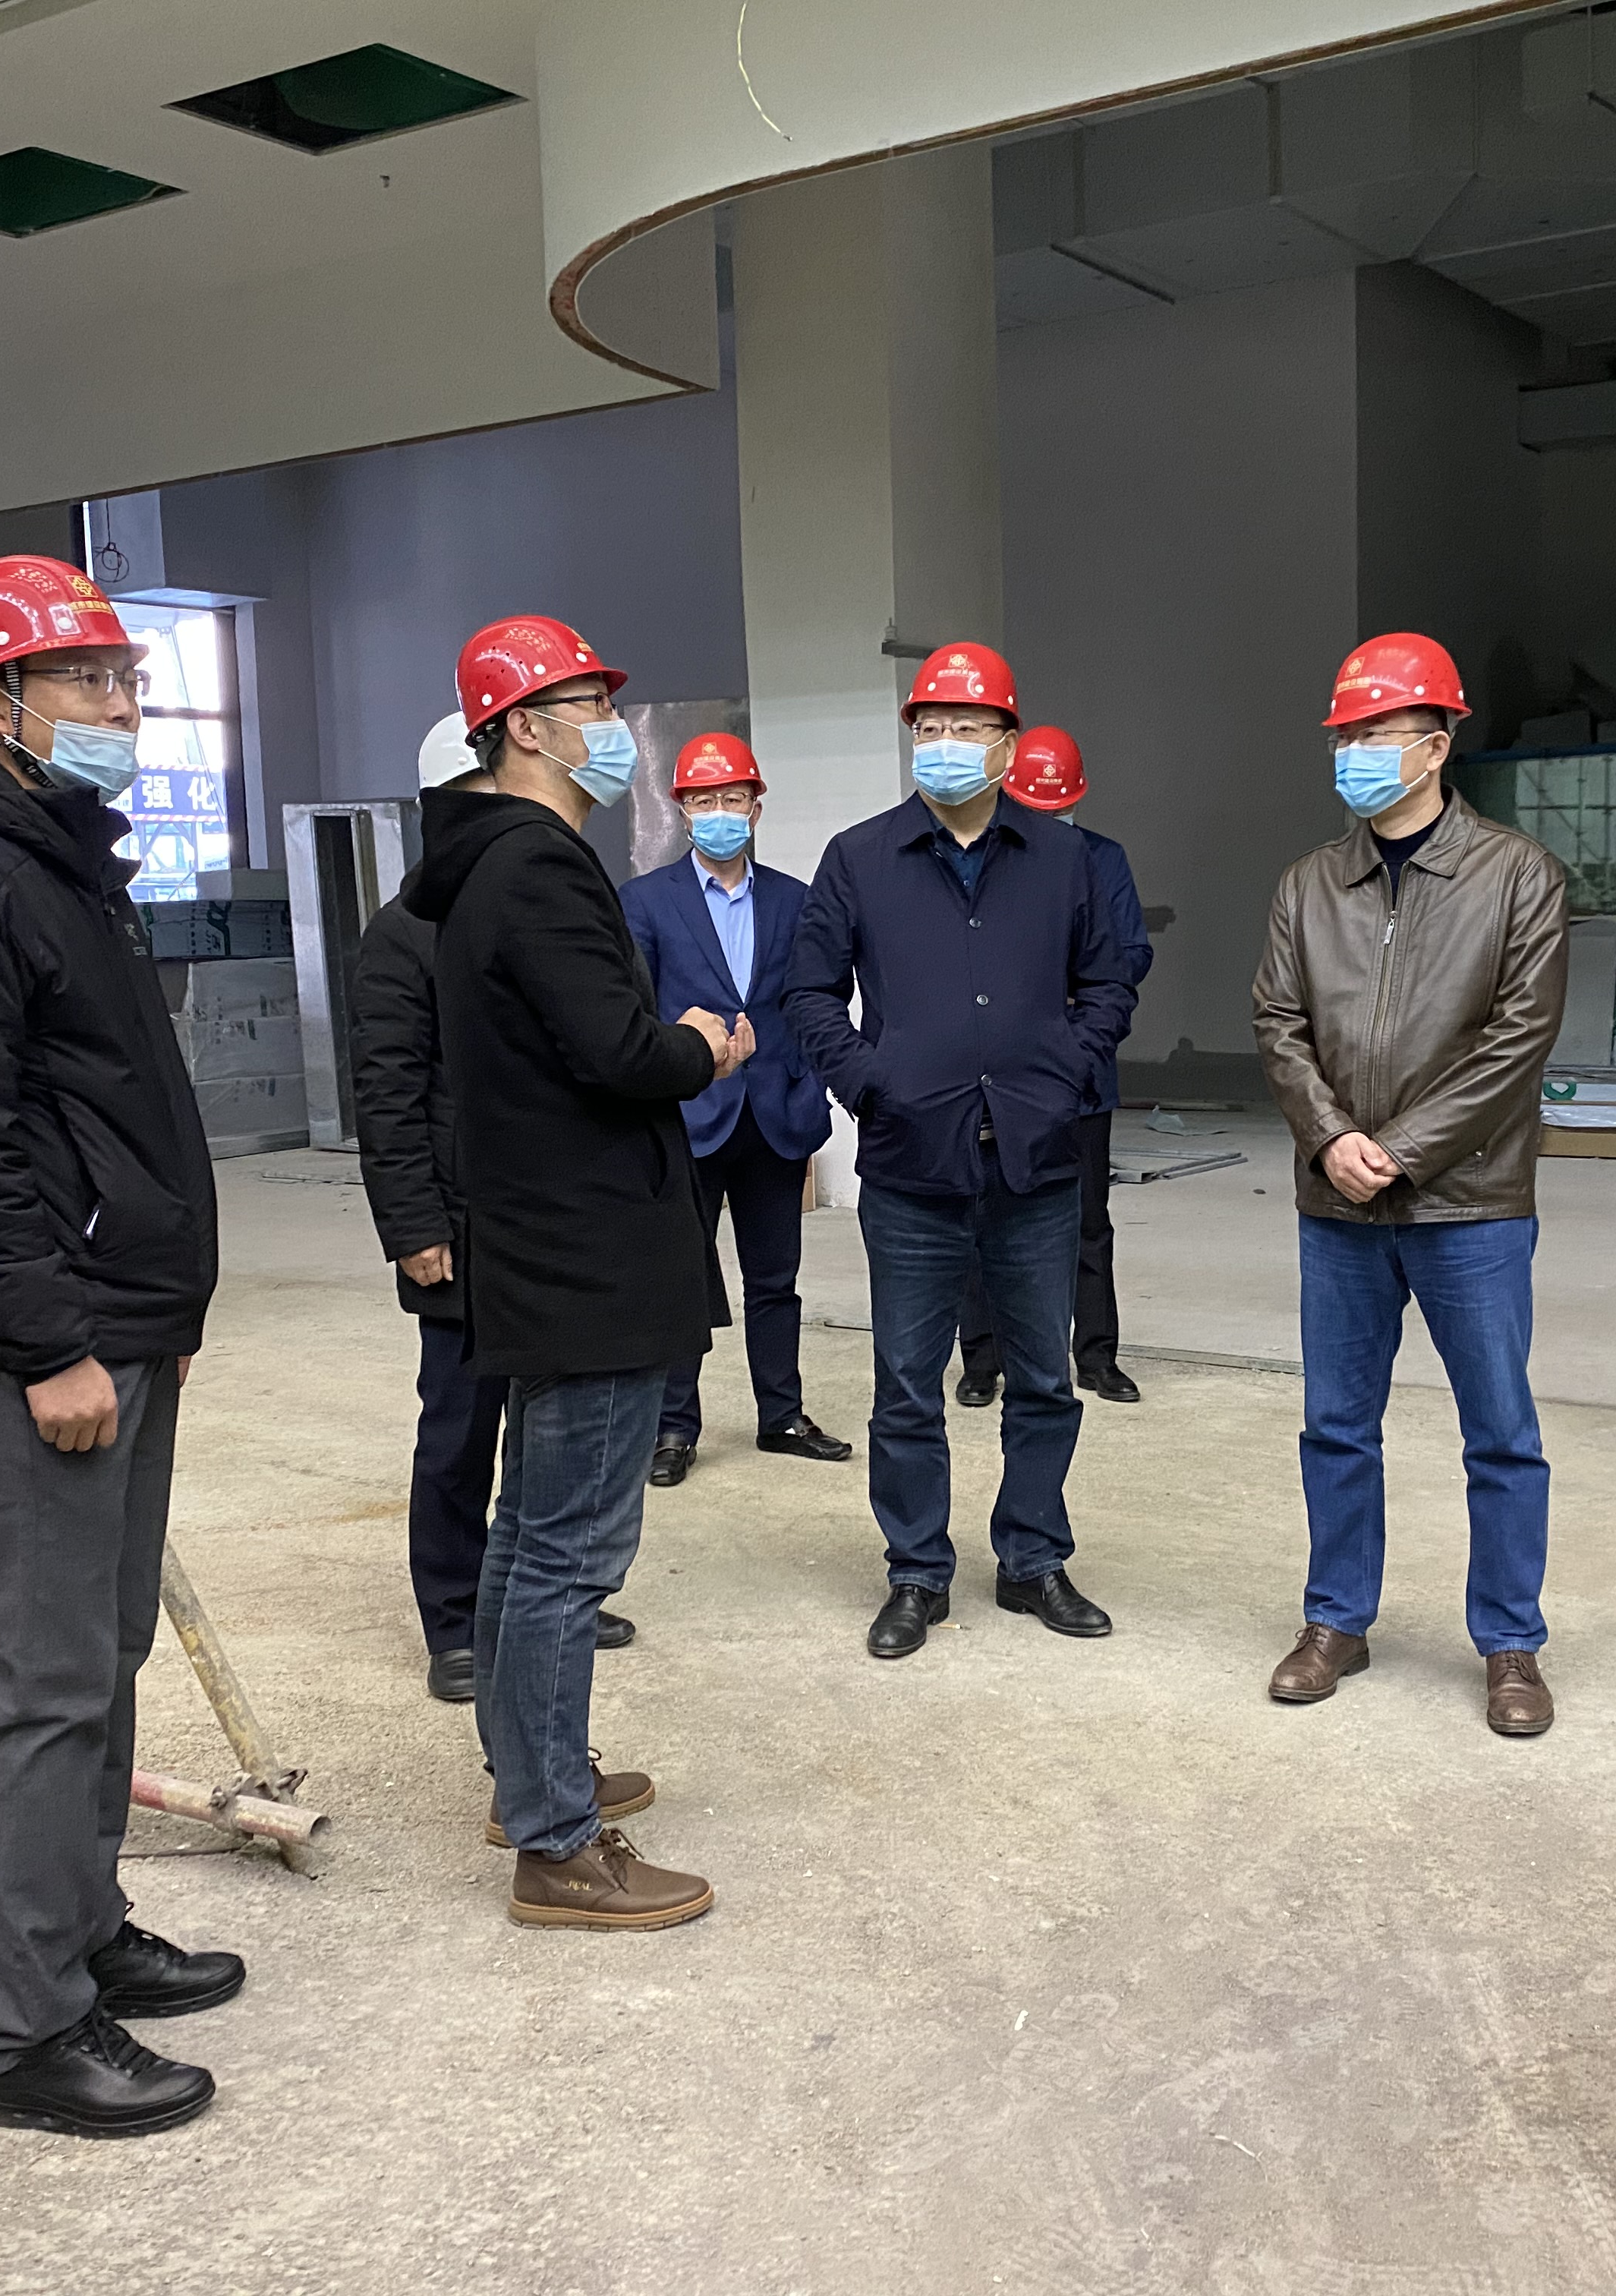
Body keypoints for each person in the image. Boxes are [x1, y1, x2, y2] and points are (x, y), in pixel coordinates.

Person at [0, 553, 240, 2138]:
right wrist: (53, 1345)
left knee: (106, 1654)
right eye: (89, 678)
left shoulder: (61, 854)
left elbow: (102, 1106)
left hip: (114, 1323)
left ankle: (86, 1928)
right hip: (34, 1347)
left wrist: (159, 1316)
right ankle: (31, 2030)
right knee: (46, 1683)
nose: (121, 706)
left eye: (128, 679)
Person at [408, 613, 737, 1930]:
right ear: (522, 729)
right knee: (566, 1553)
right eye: (589, 705)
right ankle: (555, 1842)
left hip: (546, 1246)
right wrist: (700, 1042)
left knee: (526, 1536)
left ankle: (528, 1778)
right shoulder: (535, 866)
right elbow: (615, 1052)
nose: (613, 727)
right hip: (589, 1256)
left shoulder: (488, 865)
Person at [784, 642, 1138, 1660]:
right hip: (911, 1166)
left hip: (1035, 1161)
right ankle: (916, 1572)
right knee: (906, 1382)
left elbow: (1109, 982)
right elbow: (809, 989)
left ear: (1007, 745)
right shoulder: (859, 858)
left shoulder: (1065, 860)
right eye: (930, 727)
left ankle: (1033, 1558)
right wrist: (869, 1082)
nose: (945, 743)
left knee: (1042, 1378)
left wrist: (1068, 1070)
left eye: (967, 727)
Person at [1249, 636, 1567, 1730]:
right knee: (1337, 1424)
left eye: (1378, 734)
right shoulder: (1309, 884)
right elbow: (1278, 1021)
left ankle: (1512, 1643)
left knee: (1501, 1431)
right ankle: (1336, 1620)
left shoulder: (1517, 875)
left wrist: (1404, 1148)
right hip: (1338, 1204)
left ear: (1436, 745)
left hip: (1470, 1203)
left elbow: (1518, 1039)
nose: (1356, 753)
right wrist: (1332, 1137)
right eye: (1346, 735)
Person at [351, 716, 635, 1703]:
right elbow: (386, 1093)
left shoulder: (537, 906)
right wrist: (415, 1225)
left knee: (550, 1428)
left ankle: (536, 1599)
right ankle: (454, 1618)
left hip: (540, 1220)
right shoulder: (404, 932)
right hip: (459, 1229)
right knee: (460, 1429)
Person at [621, 732, 848, 1486]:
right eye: (704, 800)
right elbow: (635, 1009)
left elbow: (817, 999)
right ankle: (673, 1428)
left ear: (755, 806)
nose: (719, 812)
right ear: (683, 809)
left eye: (733, 798)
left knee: (775, 1280)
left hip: (775, 1117)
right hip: (689, 1115)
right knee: (681, 1280)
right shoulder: (646, 902)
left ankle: (781, 1414)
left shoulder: (796, 899)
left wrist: (808, 1082)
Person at [955, 725, 1152, 1408]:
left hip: (1080, 1076)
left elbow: (1130, 954)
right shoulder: (978, 857)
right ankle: (982, 1360)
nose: (1049, 822)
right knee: (984, 1216)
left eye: (1060, 811)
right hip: (995, 1078)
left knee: (1088, 1221)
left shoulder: (1103, 859)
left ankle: (1095, 1356)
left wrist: (1057, 996)